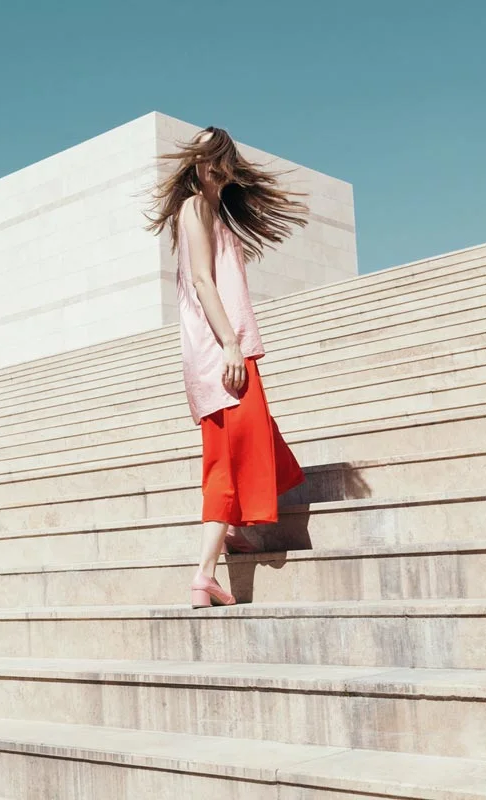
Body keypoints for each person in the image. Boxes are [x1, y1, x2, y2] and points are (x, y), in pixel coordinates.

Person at [147, 126, 308, 608]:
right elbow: (201, 279)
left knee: (256, 441)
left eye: (208, 151)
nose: (202, 160)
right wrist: (230, 345)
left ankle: (233, 529)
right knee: (225, 459)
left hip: (224, 349)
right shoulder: (194, 206)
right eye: (197, 151)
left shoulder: (217, 214)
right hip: (221, 350)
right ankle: (203, 575)